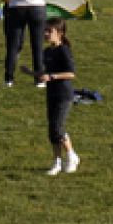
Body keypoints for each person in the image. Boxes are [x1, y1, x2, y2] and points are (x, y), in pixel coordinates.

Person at [24, 18, 80, 175]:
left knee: (57, 128)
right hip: (51, 94)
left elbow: (71, 73)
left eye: (49, 31)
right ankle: (57, 162)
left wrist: (53, 77)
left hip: (64, 94)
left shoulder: (64, 51)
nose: (46, 34)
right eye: (45, 31)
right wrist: (31, 73)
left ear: (60, 33)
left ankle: (71, 156)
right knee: (52, 130)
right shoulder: (47, 52)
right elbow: (45, 73)